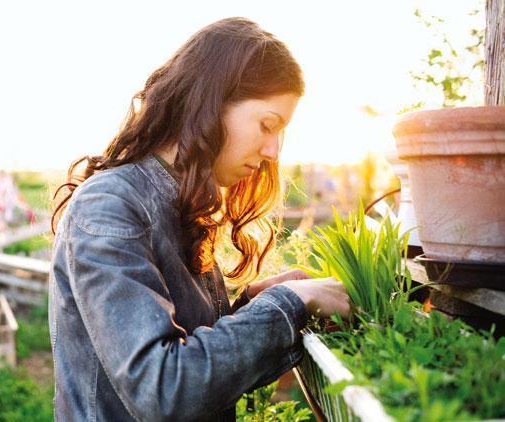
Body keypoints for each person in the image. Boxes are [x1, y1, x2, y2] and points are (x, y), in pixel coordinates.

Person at [48, 17, 351, 421]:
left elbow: (191, 352)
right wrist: (287, 304)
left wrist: (250, 305)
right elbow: (164, 390)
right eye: (267, 125)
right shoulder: (110, 206)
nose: (274, 152)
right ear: (211, 102)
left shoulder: (179, 203)